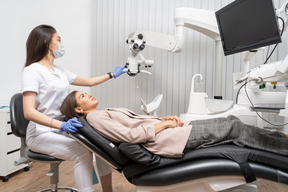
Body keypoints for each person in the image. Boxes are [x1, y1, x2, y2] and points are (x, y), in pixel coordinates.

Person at [21, 25, 126, 192]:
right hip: (40, 133)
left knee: (100, 145)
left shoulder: (60, 71)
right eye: (58, 39)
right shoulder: (32, 71)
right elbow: (29, 111)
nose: (61, 43)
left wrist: (112, 74)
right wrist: (61, 125)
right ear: (46, 42)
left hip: (61, 129)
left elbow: (89, 82)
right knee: (82, 152)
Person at [60, 91, 288, 158]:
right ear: (78, 109)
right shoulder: (95, 118)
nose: (88, 95)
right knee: (235, 128)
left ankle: (282, 141)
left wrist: (166, 119)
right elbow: (130, 136)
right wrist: (166, 126)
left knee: (231, 121)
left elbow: (139, 122)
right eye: (82, 97)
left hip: (170, 132)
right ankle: (284, 148)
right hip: (169, 140)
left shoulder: (103, 112)